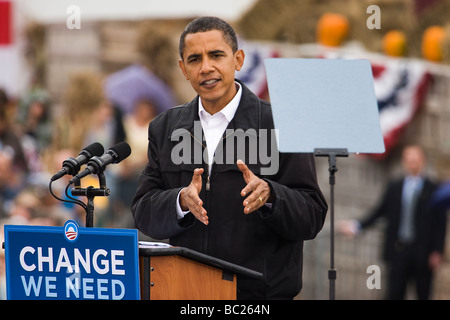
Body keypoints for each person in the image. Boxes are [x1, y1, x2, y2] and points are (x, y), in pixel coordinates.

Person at [131, 16, 328, 300]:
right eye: (195, 59)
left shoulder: (282, 124)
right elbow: (143, 211)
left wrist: (272, 196)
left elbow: (312, 214)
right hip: (186, 293)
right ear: (183, 69)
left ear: (238, 59)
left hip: (259, 297)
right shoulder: (165, 128)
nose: (206, 67)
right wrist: (180, 201)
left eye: (216, 55)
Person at [338, 145, 447, 299]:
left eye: (415, 160)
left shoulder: (433, 189)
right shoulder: (395, 187)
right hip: (399, 251)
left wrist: (437, 251)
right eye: (409, 160)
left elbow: (440, 222)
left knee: (423, 293)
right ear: (404, 162)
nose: (412, 163)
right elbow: (379, 212)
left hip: (423, 253)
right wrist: (357, 226)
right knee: (394, 293)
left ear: (422, 161)